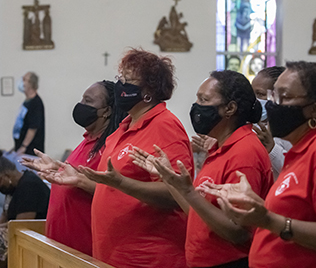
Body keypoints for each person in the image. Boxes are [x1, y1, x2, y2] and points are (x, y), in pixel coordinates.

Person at [204, 61, 316, 268]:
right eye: (273, 96)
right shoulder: (302, 150)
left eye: (285, 97)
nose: (272, 105)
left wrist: (269, 220)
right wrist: (256, 206)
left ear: (314, 110)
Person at [132, 70, 273, 268]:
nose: (197, 107)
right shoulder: (220, 148)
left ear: (230, 108)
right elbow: (198, 213)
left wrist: (189, 191)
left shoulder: (244, 153)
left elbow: (238, 231)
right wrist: (170, 179)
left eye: (203, 100)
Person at [78, 49, 194, 268]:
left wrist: (123, 183)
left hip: (148, 257)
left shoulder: (165, 126)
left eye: (128, 81)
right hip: (114, 254)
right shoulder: (123, 127)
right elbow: (112, 187)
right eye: (120, 79)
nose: (121, 85)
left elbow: (176, 194)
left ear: (148, 92)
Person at [20, 80, 124, 256]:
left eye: (88, 101)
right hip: (60, 245)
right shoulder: (87, 141)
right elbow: (72, 175)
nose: (81, 105)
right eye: (82, 100)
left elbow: (114, 194)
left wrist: (81, 182)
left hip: (83, 249)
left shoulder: (111, 147)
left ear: (106, 111)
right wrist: (54, 167)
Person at [0, 149, 50, 268]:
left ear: (6, 176)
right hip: (17, 228)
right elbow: (4, 217)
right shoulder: (12, 187)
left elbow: (21, 224)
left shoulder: (29, 186)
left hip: (35, 233)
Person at [251, 66, 292, 180]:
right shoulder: (252, 123)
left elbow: (297, 170)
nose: (254, 99)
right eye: (252, 93)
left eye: (260, 94)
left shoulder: (290, 128)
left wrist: (272, 149)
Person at [13, 71, 45, 155]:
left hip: (30, 151)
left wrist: (24, 146)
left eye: (24, 79)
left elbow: (33, 128)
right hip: (21, 148)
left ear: (31, 84)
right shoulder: (27, 101)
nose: (22, 82)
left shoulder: (36, 103)